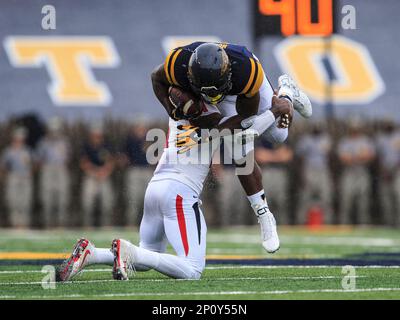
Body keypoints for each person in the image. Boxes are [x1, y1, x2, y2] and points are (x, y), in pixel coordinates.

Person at [337, 120, 375, 224]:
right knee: (346, 200)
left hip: (362, 172)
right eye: (353, 128)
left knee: (363, 201)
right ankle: (344, 225)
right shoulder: (345, 141)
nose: (355, 130)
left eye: (357, 128)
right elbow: (344, 158)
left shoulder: (365, 140)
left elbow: (370, 155)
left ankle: (363, 224)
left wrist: (354, 156)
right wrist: (359, 156)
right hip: (349, 173)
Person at [296, 122, 333, 224]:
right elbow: (300, 158)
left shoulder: (326, 138)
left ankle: (327, 222)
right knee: (305, 198)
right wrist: (302, 174)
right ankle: (302, 222)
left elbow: (331, 157)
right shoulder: (305, 139)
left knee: (326, 197)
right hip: (309, 169)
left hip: (323, 170)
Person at [36, 117, 70, 228]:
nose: (54, 132)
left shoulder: (64, 142)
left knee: (62, 197)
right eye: (52, 130)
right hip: (48, 169)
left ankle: (61, 224)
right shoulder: (43, 142)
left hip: (60, 169)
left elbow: (68, 158)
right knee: (47, 197)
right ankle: (48, 223)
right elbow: (39, 159)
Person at [80, 123, 115, 227]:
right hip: (91, 175)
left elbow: (111, 161)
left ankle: (106, 225)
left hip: (104, 175)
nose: (97, 137)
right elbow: (83, 163)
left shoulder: (107, 145)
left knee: (107, 203)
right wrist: (95, 172)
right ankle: (87, 225)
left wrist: (105, 171)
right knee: (87, 203)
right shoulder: (86, 146)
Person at [122, 118, 153, 226]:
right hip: (134, 170)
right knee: (133, 198)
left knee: (149, 198)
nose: (140, 130)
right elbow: (124, 156)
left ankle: (149, 224)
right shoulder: (130, 140)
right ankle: (131, 223)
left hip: (147, 170)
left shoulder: (150, 140)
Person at [255, 137, 293, 225]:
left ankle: (283, 227)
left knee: (281, 203)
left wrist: (268, 155)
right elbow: (259, 156)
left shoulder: (282, 136)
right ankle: (263, 228)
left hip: (280, 171)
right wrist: (277, 155)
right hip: (264, 171)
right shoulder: (261, 135)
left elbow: (287, 156)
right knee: (263, 205)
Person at [0, 127, 32, 228]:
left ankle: (24, 223)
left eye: (21, 137)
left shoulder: (27, 150)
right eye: (18, 137)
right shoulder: (9, 151)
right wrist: (4, 177)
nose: (19, 139)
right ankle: (15, 223)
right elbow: (3, 166)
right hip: (14, 175)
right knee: (13, 200)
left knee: (25, 200)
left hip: (25, 176)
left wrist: (30, 172)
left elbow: (34, 164)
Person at [375, 120, 400, 226]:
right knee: (386, 200)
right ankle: (388, 224)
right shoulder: (381, 138)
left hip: (398, 171)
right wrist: (383, 170)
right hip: (385, 172)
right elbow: (378, 157)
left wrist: (395, 169)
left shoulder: (398, 136)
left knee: (398, 198)